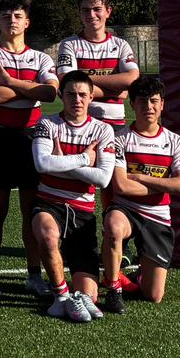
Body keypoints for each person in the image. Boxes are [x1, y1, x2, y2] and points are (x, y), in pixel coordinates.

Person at [0, 0, 59, 299]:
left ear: (27, 22)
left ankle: (34, 275)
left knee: (31, 212)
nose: (12, 20)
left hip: (31, 139)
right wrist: (30, 89)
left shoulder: (41, 58)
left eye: (18, 15)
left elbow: (50, 94)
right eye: (5, 15)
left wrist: (10, 82)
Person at [31, 70, 115, 323]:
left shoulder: (103, 130)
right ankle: (60, 296)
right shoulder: (47, 123)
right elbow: (42, 164)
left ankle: (75, 296)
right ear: (61, 96)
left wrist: (63, 162)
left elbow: (103, 178)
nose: (76, 100)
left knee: (90, 297)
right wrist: (84, 159)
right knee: (48, 235)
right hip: (49, 203)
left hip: (82, 211)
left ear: (91, 97)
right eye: (70, 94)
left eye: (82, 95)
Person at [101, 76, 180, 313]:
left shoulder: (174, 141)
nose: (148, 107)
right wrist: (164, 184)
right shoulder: (119, 139)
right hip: (126, 209)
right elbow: (122, 187)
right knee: (113, 226)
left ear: (162, 104)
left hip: (157, 216)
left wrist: (141, 178)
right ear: (132, 104)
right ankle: (113, 289)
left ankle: (141, 273)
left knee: (154, 296)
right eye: (141, 101)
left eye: (153, 101)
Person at [56, 0, 140, 135]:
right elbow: (67, 84)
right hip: (79, 124)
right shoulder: (69, 44)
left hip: (115, 123)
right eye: (85, 10)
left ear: (108, 11)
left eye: (97, 9)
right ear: (80, 13)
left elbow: (132, 79)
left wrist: (82, 78)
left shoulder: (121, 45)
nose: (91, 15)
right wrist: (116, 91)